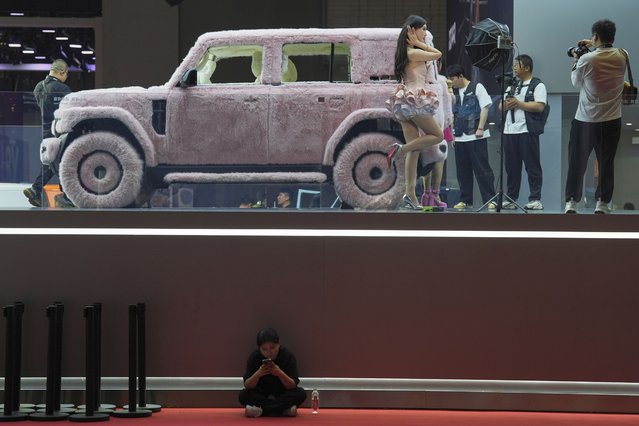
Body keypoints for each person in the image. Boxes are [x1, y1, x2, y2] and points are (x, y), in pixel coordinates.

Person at [565, 19, 626, 214]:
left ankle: (572, 203)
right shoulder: (623, 55)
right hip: (612, 119)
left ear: (595, 36)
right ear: (614, 37)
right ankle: (603, 203)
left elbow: (575, 81)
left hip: (586, 120)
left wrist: (577, 56)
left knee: (577, 162)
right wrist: (593, 43)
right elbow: (606, 48)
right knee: (607, 163)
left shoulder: (587, 59)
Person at [385, 15, 444, 210]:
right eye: (423, 29)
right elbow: (438, 54)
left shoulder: (404, 53)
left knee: (415, 149)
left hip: (404, 99)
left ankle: (410, 195)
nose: (425, 32)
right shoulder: (413, 52)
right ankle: (399, 149)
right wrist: (421, 43)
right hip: (415, 98)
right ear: (413, 31)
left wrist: (419, 42)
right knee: (437, 135)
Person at [500, 54, 547, 210]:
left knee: (532, 166)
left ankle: (535, 199)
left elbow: (540, 106)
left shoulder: (537, 85)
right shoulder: (512, 85)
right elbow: (501, 107)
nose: (514, 67)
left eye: (517, 64)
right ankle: (511, 198)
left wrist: (519, 103)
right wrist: (508, 104)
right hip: (509, 131)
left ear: (527, 67)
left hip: (527, 131)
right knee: (511, 167)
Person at [23, 59, 73, 208]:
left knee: (52, 163)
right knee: (63, 162)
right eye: (66, 74)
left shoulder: (39, 87)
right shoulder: (63, 89)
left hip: (45, 131)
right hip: (59, 131)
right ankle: (66, 197)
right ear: (62, 73)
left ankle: (36, 189)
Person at [446, 64, 496, 210]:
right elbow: (451, 116)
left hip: (476, 135)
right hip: (460, 137)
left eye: (453, 79)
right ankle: (466, 200)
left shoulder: (477, 87)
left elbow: (485, 107)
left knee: (482, 169)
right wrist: (452, 136)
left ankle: (490, 198)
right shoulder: (453, 94)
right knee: (462, 171)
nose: (451, 82)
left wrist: (480, 127)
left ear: (461, 76)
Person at [239, 328, 306, 418]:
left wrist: (279, 373)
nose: (269, 352)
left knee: (300, 393)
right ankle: (283, 410)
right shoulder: (254, 357)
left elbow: (292, 385)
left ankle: (261, 411)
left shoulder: (287, 355)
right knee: (243, 395)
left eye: (272, 347)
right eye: (264, 349)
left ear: (278, 343)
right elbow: (247, 385)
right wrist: (258, 374)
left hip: (282, 392)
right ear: (259, 348)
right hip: (261, 393)